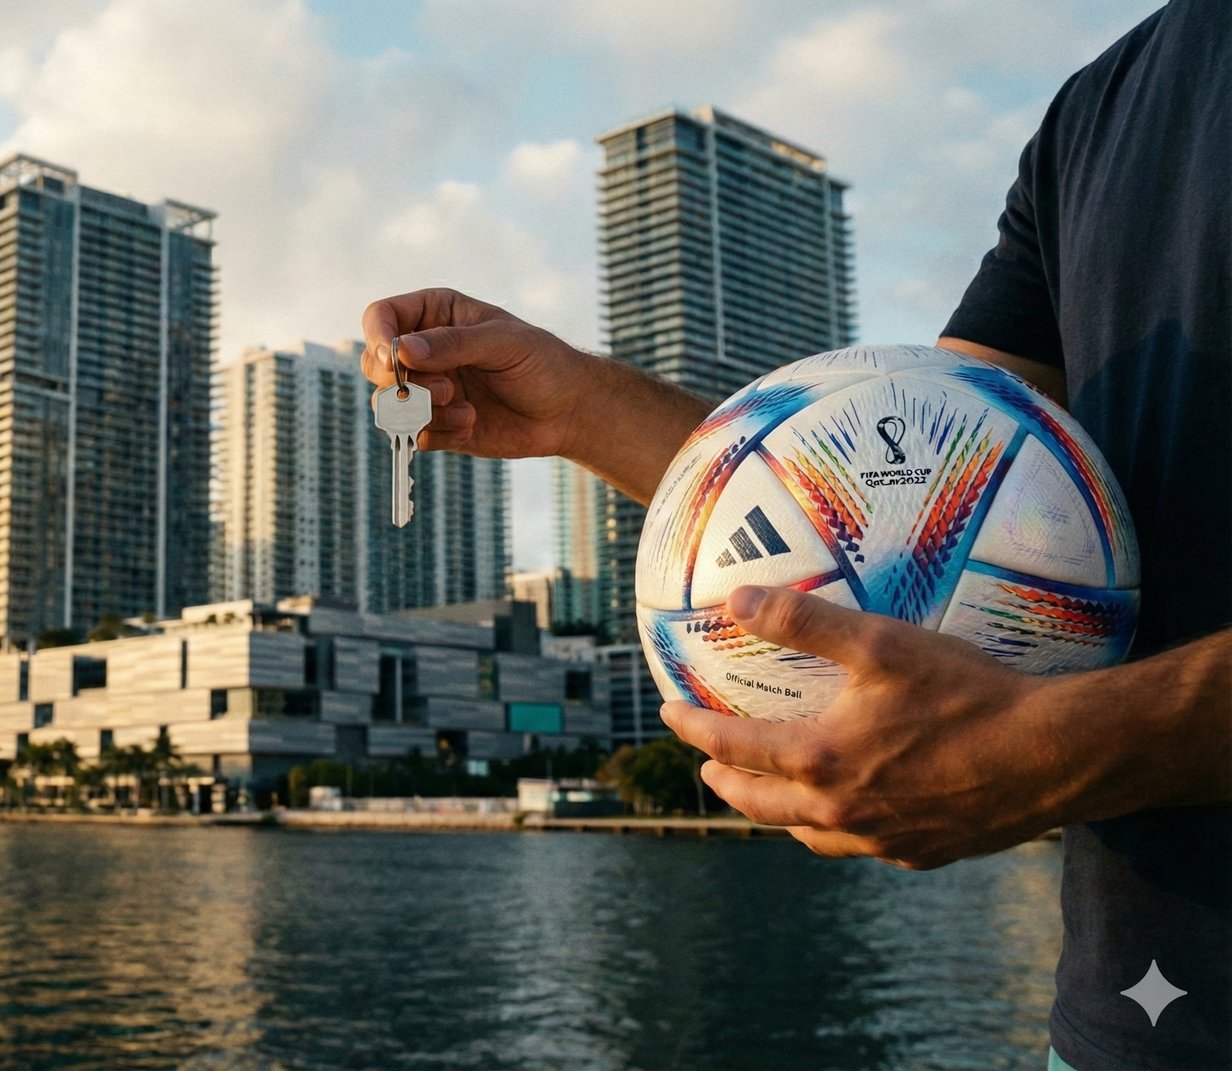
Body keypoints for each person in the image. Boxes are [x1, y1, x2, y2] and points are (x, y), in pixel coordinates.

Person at [360, 4, 1229, 1067]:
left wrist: (1074, 745)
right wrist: (578, 408)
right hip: (1128, 1025)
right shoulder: (1097, 109)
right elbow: (893, 517)